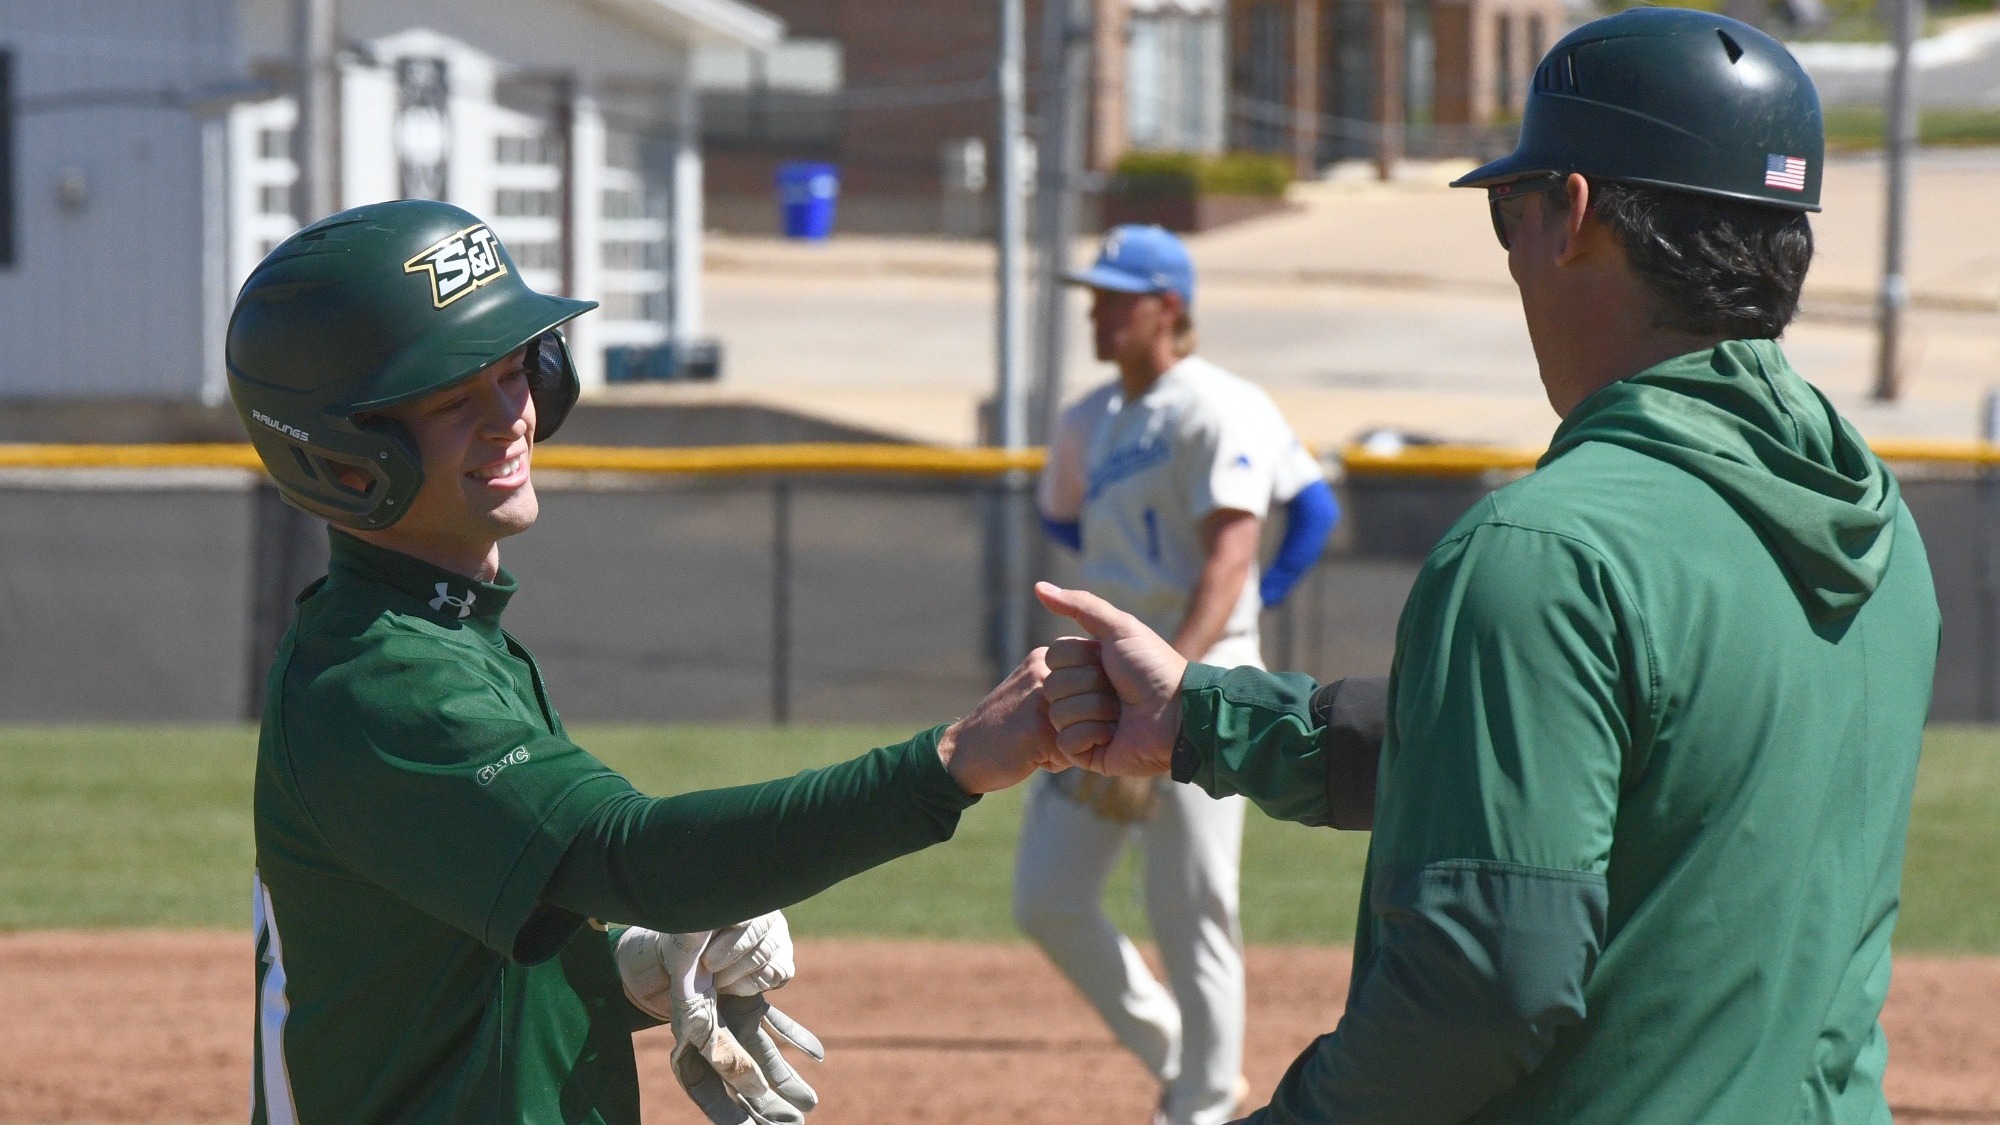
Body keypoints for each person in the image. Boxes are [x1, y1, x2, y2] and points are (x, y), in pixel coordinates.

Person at [1034, 10, 1939, 1124]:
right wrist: (1199, 718)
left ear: (1566, 212)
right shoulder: (1873, 523)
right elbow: (1595, 764)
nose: (1510, 248)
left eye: (1508, 211)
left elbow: (1480, 994)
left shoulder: (1544, 549)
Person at [228, 199, 1065, 1125]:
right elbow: (627, 852)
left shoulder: (446, 640)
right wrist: (952, 762)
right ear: (348, 459)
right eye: (455, 399)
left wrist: (629, 967)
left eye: (518, 372)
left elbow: (448, 979)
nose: (513, 416)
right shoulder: (382, 680)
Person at [1014, 224, 1337, 1125]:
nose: (1096, 310)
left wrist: (1177, 683)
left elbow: (1239, 550)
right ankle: (1184, 1056)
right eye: (1096, 293)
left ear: (1169, 309)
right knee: (1047, 894)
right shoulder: (1087, 419)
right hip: (1106, 670)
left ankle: (1198, 1108)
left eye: (1118, 296)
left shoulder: (1217, 404)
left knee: (1191, 899)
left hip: (1205, 672)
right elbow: (1074, 529)